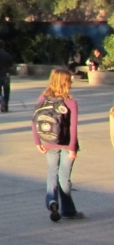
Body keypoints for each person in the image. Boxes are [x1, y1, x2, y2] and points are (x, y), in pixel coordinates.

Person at [32, 68, 84, 221]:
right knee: (64, 178)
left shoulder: (43, 98)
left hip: (49, 142)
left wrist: (37, 142)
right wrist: (73, 149)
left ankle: (51, 201)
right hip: (67, 144)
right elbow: (73, 127)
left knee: (52, 173)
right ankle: (68, 211)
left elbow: (34, 120)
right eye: (69, 80)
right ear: (65, 82)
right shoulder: (70, 102)